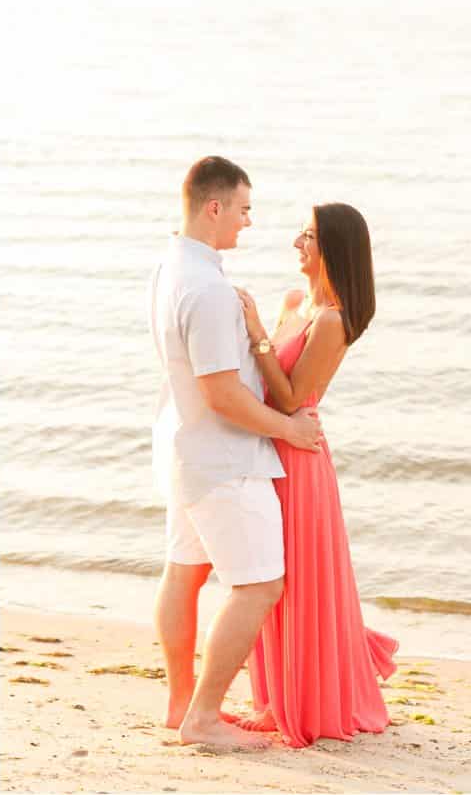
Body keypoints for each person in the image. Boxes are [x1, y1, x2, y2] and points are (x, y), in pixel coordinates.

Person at [148, 156, 324, 750]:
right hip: (224, 463)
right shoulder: (208, 288)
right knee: (259, 587)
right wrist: (287, 428)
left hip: (185, 450)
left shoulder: (172, 269)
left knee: (185, 572)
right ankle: (202, 719)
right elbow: (222, 392)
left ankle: (180, 705)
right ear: (214, 206)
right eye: (244, 209)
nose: (248, 222)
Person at [233, 203, 397, 747]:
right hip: (270, 451)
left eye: (307, 236)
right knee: (265, 575)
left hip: (299, 462)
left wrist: (257, 332)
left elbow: (291, 397)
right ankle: (273, 696)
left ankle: (295, 701)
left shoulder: (332, 320)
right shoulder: (295, 303)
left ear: (333, 248)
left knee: (296, 580)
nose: (296, 243)